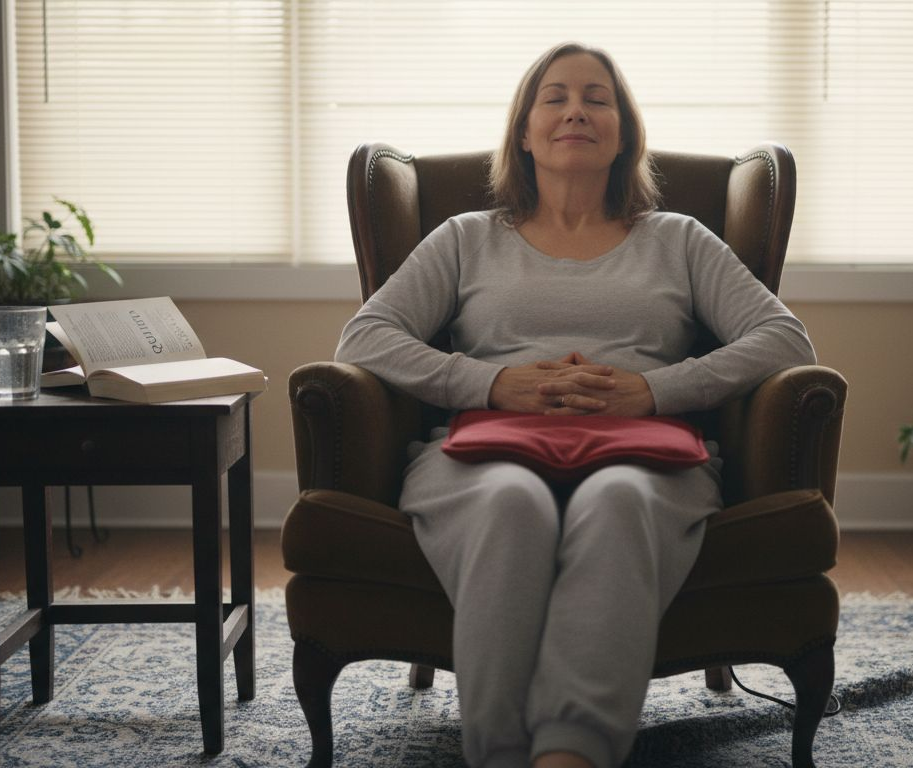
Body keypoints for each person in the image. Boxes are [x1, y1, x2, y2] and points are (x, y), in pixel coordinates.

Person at [335, 42, 816, 768]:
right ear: (524, 131)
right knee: (511, 506)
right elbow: (363, 338)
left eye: (598, 98)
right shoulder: (467, 238)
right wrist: (492, 383)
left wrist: (654, 390)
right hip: (485, 451)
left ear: (623, 131)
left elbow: (786, 339)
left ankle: (571, 755)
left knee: (618, 503)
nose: (576, 111)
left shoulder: (679, 240)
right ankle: (498, 753)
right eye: (554, 97)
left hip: (647, 457)